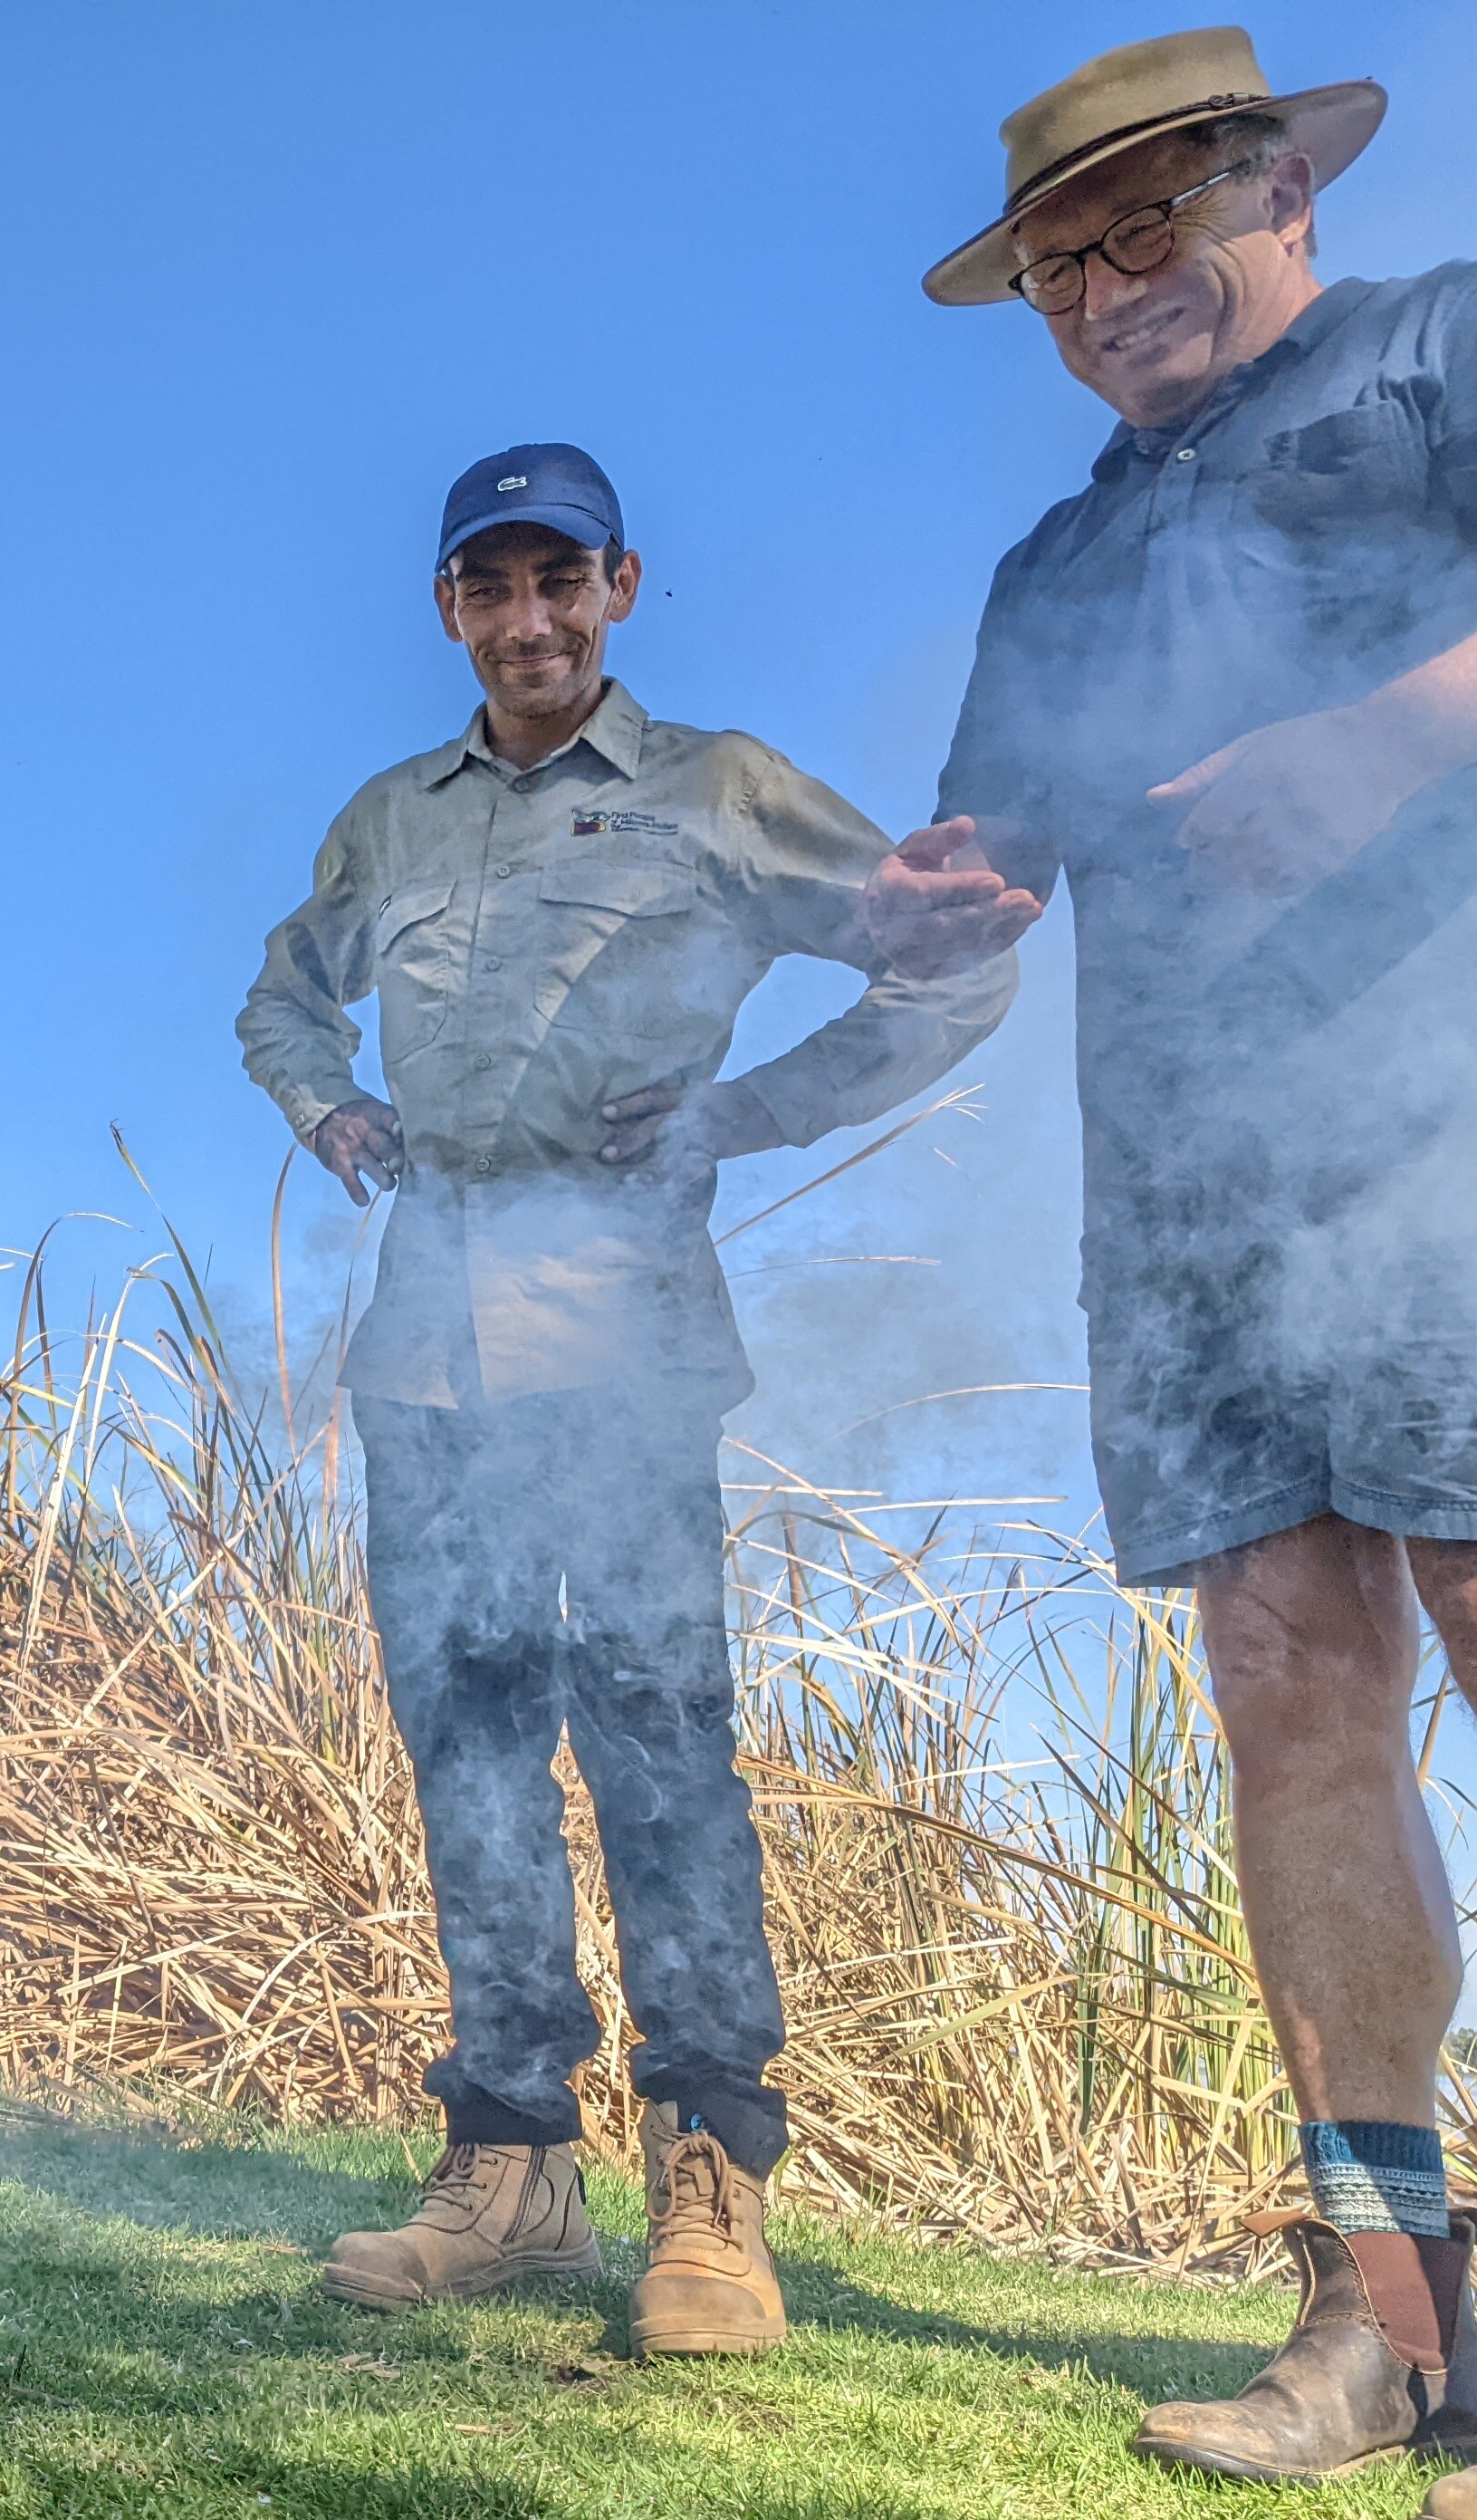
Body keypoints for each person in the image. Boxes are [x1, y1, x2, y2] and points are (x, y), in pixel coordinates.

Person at [908, 27, 1477, 2520]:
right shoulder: (1057, 564)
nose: (1107, 288)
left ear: (1276, 188)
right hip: (1195, 1183)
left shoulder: (1465, 332)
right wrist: (892, 913)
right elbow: (985, 884)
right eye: (1060, 261)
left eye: (1148, 223)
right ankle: (1387, 2309)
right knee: (1284, 1683)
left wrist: (1371, 749)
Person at [235, 444, 1035, 2354]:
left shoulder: (718, 791)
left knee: (664, 1742)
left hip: (629, 1338)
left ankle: (712, 2195)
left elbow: (961, 961)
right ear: (448, 610)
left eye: (559, 582)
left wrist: (744, 1116)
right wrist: (323, 1102)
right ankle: (510, 2175)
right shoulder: (389, 822)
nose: (527, 623)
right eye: (488, 589)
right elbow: (281, 994)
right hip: (429, 1353)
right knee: (471, 1752)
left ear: (620, 587)